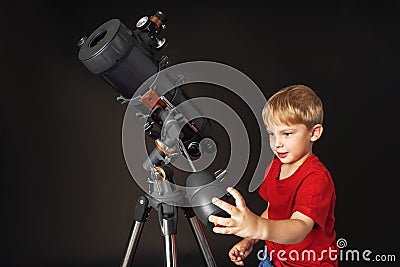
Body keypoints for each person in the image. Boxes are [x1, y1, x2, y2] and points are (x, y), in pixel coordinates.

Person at [208, 84, 338, 266]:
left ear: (314, 133)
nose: (277, 143)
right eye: (272, 134)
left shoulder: (316, 178)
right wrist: (251, 237)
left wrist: (258, 227)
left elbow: (300, 227)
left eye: (286, 134)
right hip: (274, 258)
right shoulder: (275, 166)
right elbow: (272, 210)